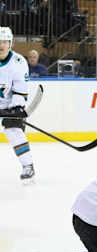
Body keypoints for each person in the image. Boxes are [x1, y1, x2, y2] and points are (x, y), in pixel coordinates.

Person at [0, 27, 35, 181]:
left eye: (4, 42)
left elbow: (21, 89)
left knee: (14, 131)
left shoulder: (18, 62)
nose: (1, 45)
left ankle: (28, 166)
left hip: (9, 106)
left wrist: (16, 107)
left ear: (10, 43)